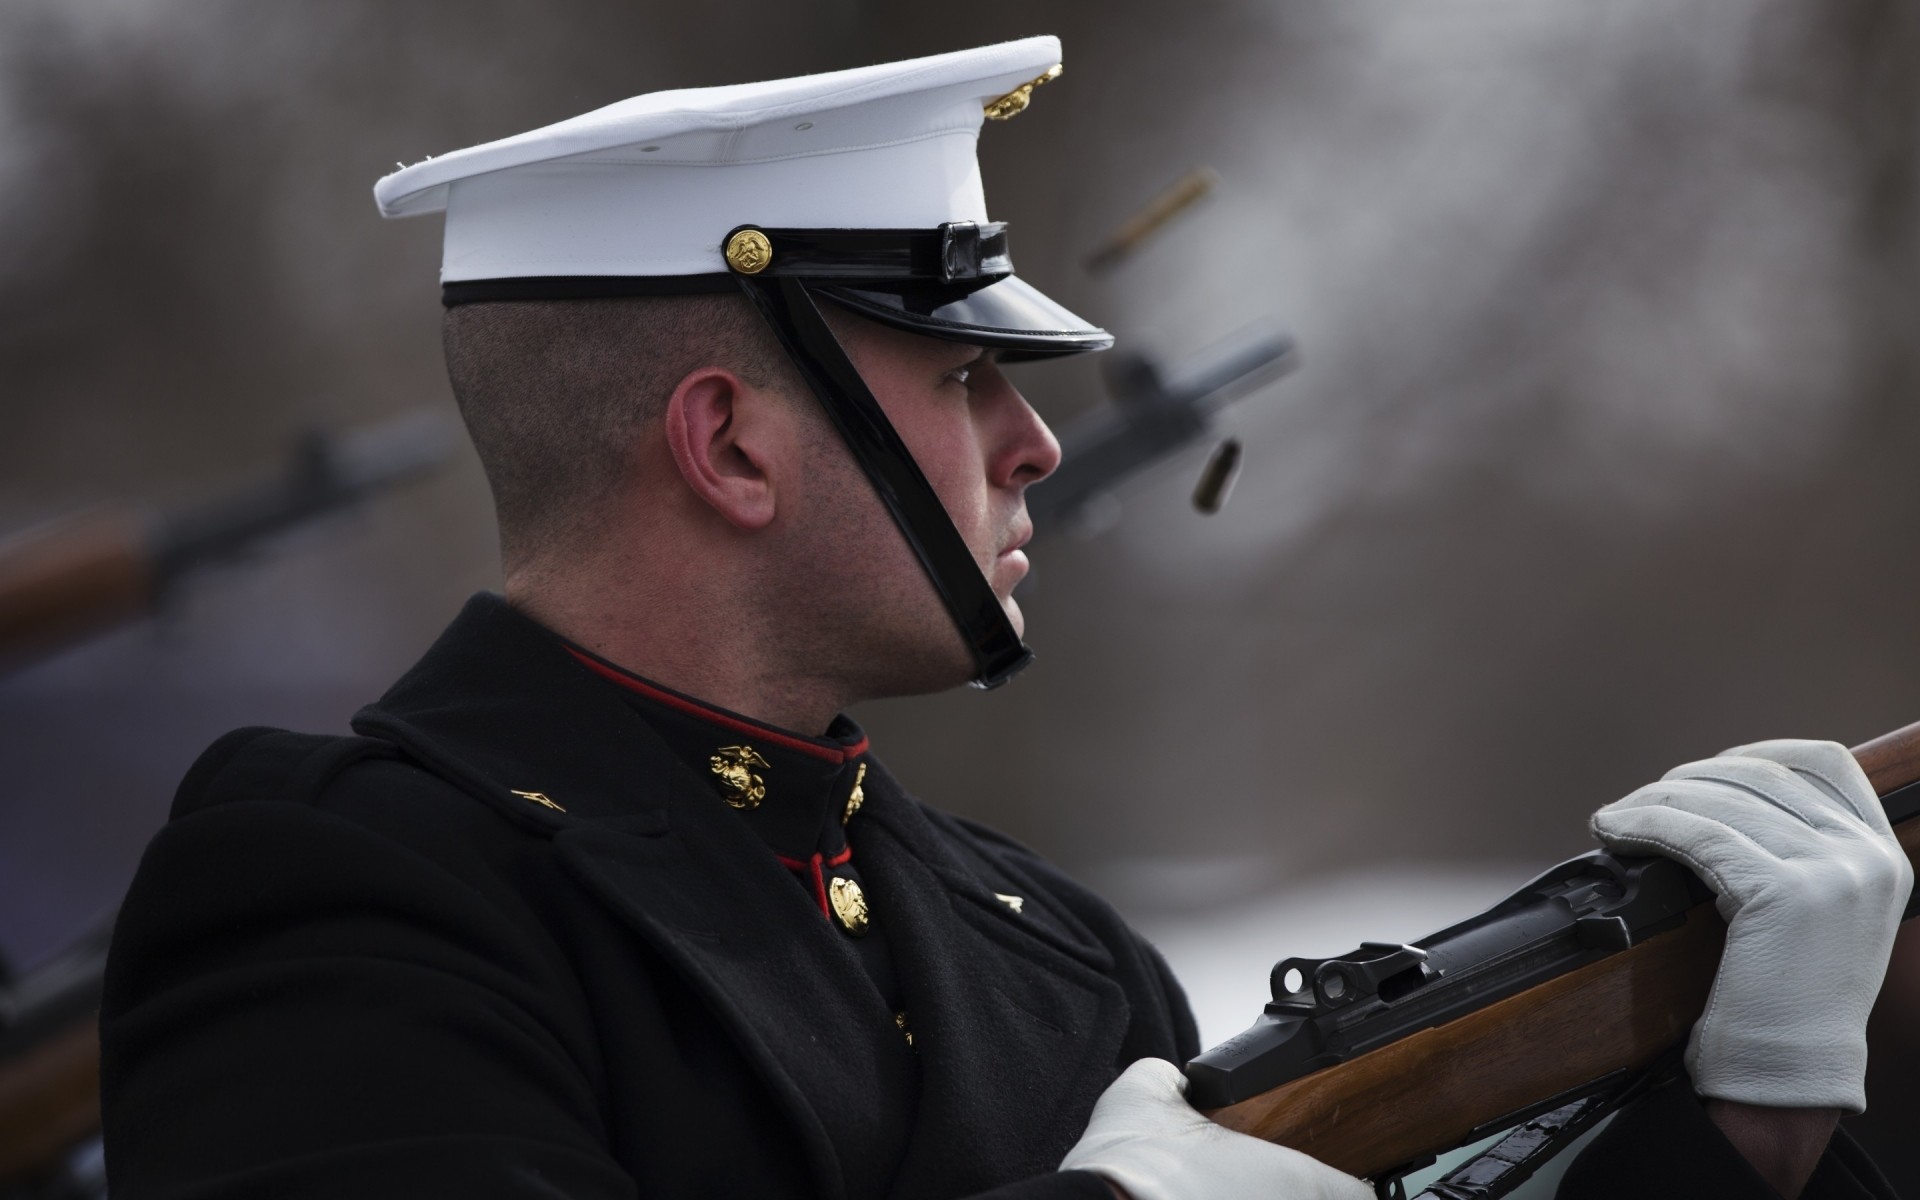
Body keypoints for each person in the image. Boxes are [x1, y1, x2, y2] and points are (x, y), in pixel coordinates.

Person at [98, 37, 1910, 1200]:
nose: (1037, 443)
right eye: (964, 381)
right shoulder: (341, 894)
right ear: (727, 442)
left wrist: (1743, 1127)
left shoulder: (1046, 948)